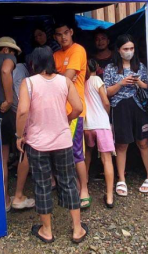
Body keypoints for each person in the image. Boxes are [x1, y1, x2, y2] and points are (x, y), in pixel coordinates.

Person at [15, 46, 88, 244]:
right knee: (69, 182)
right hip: (63, 141)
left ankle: (47, 231)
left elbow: (22, 111)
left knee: (42, 185)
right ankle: (77, 229)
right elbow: (79, 107)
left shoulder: (28, 83)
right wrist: (65, 119)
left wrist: (18, 135)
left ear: (33, 63)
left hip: (37, 144)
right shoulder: (64, 81)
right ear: (52, 62)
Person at [103, 34, 148, 195]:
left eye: (131, 48)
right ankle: (121, 179)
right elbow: (106, 92)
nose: (129, 52)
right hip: (119, 108)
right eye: (125, 49)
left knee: (143, 142)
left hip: (139, 107)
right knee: (122, 144)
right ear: (118, 50)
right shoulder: (110, 68)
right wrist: (121, 83)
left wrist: (138, 82)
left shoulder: (141, 67)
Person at [52, 20, 91, 208]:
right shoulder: (55, 55)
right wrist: (62, 78)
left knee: (76, 152)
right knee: (62, 153)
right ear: (55, 37)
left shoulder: (78, 50)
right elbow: (52, 79)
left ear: (72, 31)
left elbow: (62, 79)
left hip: (73, 111)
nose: (63, 37)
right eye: (59, 34)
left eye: (66, 32)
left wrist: (60, 78)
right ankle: (73, 186)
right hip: (57, 110)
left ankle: (84, 189)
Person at [0, 37, 34, 211]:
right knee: (4, 158)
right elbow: (5, 71)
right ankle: (6, 201)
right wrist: (9, 100)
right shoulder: (7, 58)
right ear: (7, 50)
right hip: (5, 113)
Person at [83, 59, 115, 208]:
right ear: (96, 67)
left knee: (86, 155)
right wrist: (106, 116)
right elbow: (106, 102)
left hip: (86, 125)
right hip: (101, 124)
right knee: (106, 159)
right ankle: (109, 196)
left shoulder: (80, 82)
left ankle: (84, 186)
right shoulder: (97, 80)